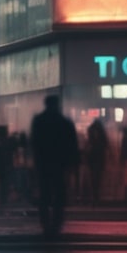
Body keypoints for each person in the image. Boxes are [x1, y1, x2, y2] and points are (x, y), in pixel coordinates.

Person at [30, 95, 79, 238]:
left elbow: (34, 143)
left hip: (44, 163)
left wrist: (36, 161)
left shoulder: (39, 121)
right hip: (59, 164)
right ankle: (56, 225)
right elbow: (72, 145)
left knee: (45, 195)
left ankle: (46, 225)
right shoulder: (64, 122)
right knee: (59, 195)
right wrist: (72, 164)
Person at [84, 118, 109, 206]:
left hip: (92, 157)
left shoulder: (90, 131)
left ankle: (94, 194)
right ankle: (96, 194)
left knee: (93, 176)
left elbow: (87, 144)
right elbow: (106, 144)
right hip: (99, 157)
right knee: (98, 176)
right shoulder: (102, 133)